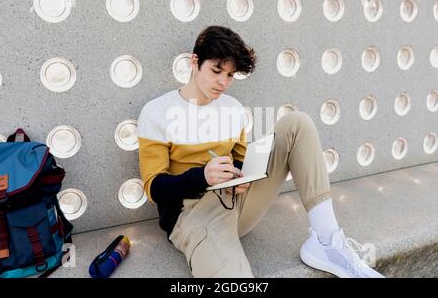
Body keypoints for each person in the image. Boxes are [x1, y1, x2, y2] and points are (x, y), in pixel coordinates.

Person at [138, 25, 385, 278]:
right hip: (194, 215)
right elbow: (154, 188)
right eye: (216, 70)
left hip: (238, 202)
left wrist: (239, 176)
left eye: (230, 75)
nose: (223, 81)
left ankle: (327, 241)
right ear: (194, 62)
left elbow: (240, 161)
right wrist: (202, 177)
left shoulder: (233, 109)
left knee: (296, 123)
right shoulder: (157, 112)